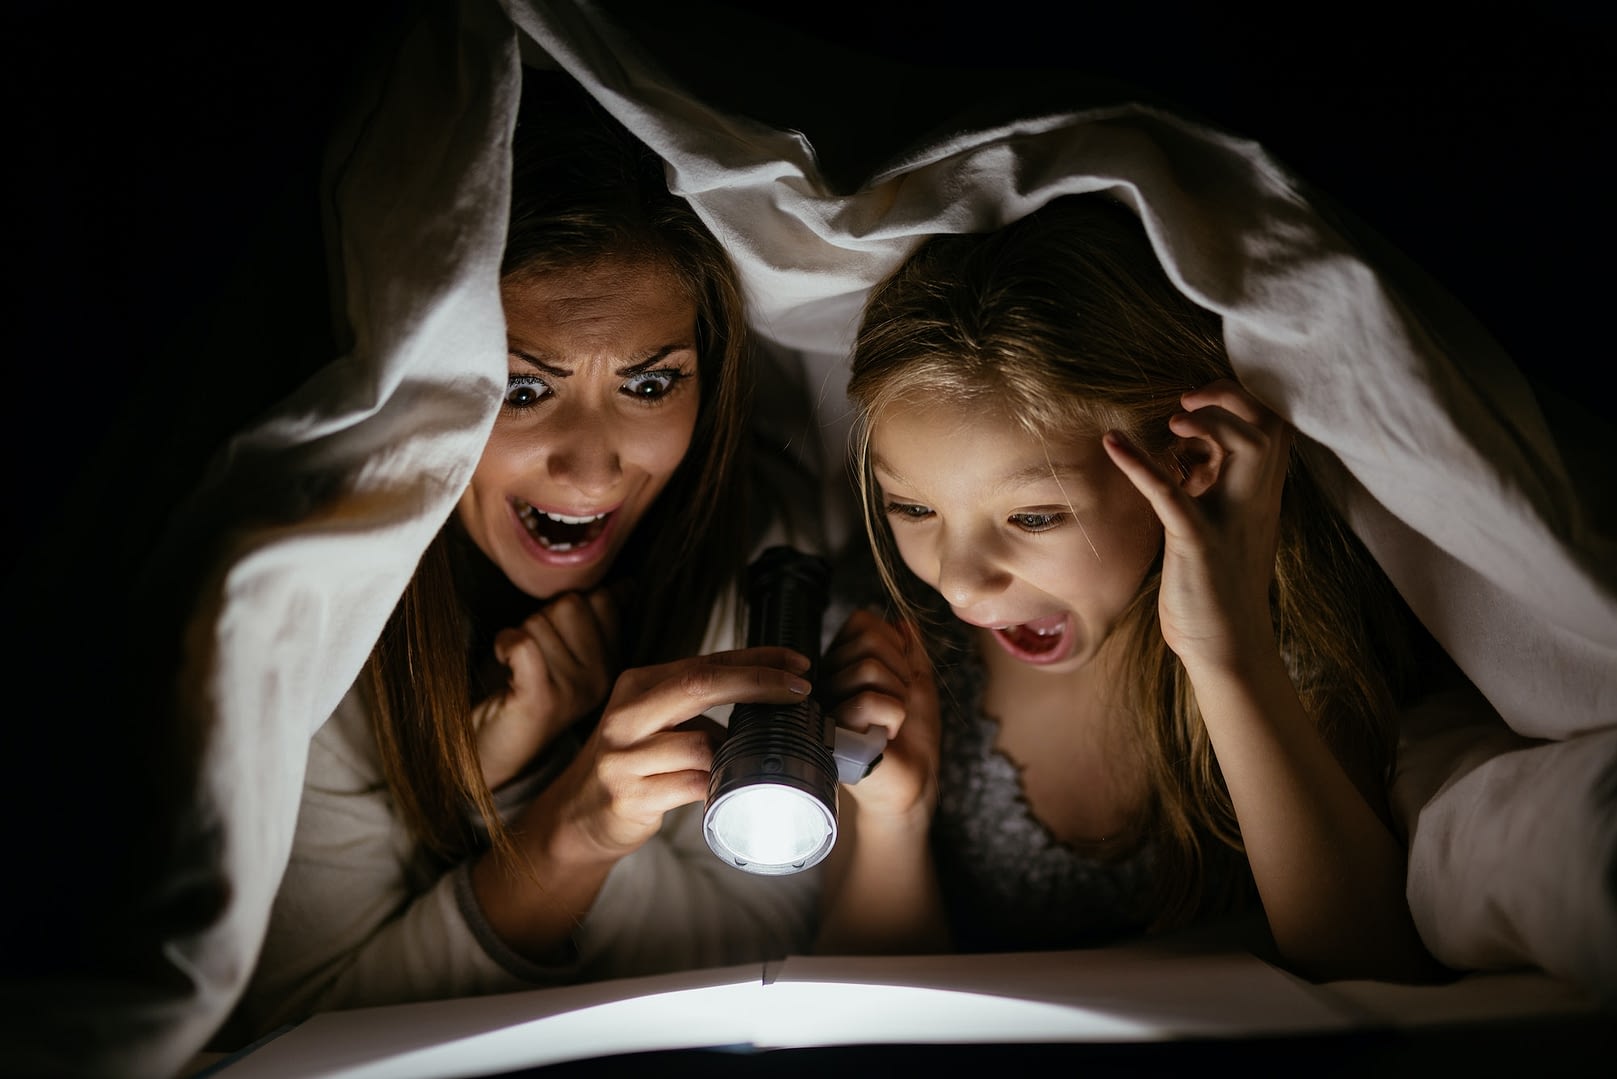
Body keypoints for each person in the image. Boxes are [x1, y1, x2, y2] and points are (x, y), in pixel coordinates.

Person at [223, 69, 825, 1044]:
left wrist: (504, 808)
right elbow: (300, 1030)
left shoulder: (772, 549)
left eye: (649, 382)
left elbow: (763, 934)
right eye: (521, 390)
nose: (591, 466)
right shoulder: (310, 626)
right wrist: (562, 817)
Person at [813, 192, 1453, 983]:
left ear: (1187, 466)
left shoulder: (1298, 631)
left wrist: (1229, 652)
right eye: (911, 507)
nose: (960, 584)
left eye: (1035, 516)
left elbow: (1371, 969)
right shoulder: (886, 636)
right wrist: (895, 820)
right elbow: (859, 1012)